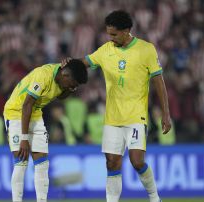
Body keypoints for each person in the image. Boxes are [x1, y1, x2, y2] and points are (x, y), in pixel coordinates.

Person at [64, 10, 171, 202]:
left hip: (136, 116)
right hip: (113, 118)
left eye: (114, 34)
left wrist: (166, 114)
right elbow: (85, 62)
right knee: (112, 162)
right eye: (108, 33)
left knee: (137, 162)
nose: (110, 38)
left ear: (127, 30)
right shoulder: (106, 50)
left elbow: (158, 81)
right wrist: (68, 64)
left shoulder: (146, 49)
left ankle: (155, 198)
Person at [3, 59, 87, 202]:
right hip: (16, 112)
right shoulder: (43, 75)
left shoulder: (63, 79)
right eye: (72, 85)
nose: (72, 89)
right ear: (66, 76)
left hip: (35, 114)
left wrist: (70, 89)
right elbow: (27, 105)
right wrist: (24, 138)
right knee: (21, 162)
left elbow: (61, 95)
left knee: (42, 164)